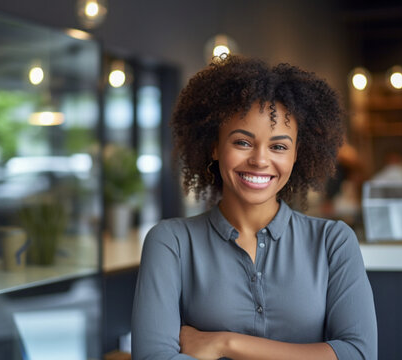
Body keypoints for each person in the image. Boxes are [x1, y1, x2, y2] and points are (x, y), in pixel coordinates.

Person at [132, 55, 377, 360]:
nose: (260, 160)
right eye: (243, 142)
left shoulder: (333, 241)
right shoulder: (171, 242)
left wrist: (225, 344)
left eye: (278, 146)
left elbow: (358, 354)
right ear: (214, 146)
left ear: (297, 154)